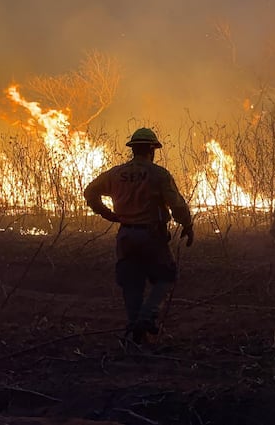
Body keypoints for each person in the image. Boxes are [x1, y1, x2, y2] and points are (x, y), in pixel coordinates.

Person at [83, 127, 194, 344]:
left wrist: (109, 215)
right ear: (152, 150)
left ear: (133, 149)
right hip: (152, 236)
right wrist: (187, 225)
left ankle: (136, 335)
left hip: (125, 235)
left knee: (132, 284)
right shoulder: (158, 174)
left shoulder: (115, 174)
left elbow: (90, 192)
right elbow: (176, 204)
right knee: (165, 276)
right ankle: (146, 317)